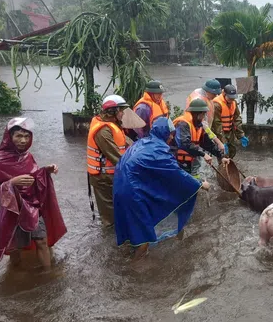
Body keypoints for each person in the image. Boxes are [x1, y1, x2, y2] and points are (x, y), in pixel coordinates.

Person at [113, 117, 210, 260]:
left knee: (132, 229)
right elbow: (176, 174)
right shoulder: (159, 151)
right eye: (170, 133)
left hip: (119, 188)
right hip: (133, 194)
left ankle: (126, 257)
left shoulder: (142, 142)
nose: (172, 137)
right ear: (164, 132)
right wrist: (200, 184)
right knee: (143, 238)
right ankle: (135, 270)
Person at [0, 118, 67, 269]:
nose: (23, 141)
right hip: (11, 209)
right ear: (9, 137)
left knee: (42, 240)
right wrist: (12, 183)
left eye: (26, 137)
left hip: (32, 206)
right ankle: (16, 275)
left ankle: (48, 274)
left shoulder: (28, 156)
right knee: (14, 246)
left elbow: (33, 177)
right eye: (18, 136)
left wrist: (46, 170)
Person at [87, 95, 133, 227]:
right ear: (113, 112)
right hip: (103, 178)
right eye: (121, 111)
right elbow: (116, 156)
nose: (123, 114)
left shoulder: (113, 125)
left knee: (118, 208)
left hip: (112, 176)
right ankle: (111, 238)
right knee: (109, 215)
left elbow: (126, 144)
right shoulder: (103, 131)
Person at [172, 99, 229, 179]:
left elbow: (207, 143)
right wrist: (203, 154)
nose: (204, 117)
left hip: (190, 161)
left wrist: (221, 156)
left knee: (194, 179)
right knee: (182, 183)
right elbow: (184, 143)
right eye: (203, 114)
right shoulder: (183, 124)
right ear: (197, 114)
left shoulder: (198, 125)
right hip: (177, 161)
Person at [186, 79, 225, 152]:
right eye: (214, 93)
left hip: (204, 133)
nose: (216, 95)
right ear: (208, 91)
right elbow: (203, 125)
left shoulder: (207, 97)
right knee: (200, 158)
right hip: (195, 134)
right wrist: (217, 141)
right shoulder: (198, 101)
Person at [212, 84, 249, 158]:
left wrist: (241, 135)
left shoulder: (234, 103)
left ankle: (229, 164)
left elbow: (237, 119)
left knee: (232, 150)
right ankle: (222, 166)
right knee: (223, 152)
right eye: (230, 98)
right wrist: (222, 141)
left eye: (233, 98)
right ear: (224, 94)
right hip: (219, 131)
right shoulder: (217, 104)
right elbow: (217, 125)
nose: (231, 100)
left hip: (229, 131)